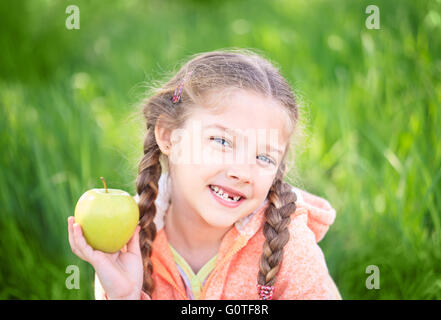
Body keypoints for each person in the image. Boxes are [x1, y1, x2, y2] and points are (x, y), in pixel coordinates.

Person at [67, 49, 342, 300]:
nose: (241, 172)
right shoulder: (128, 239)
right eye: (222, 142)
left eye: (264, 157)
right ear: (168, 136)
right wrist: (125, 296)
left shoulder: (290, 247)